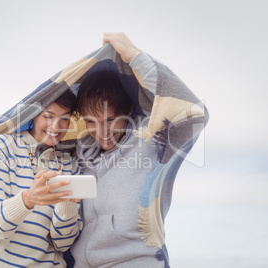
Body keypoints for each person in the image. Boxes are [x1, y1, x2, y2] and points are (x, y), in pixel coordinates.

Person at [69, 32, 208, 267]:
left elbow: (194, 114)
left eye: (110, 119)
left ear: (129, 110)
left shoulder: (150, 140)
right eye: (91, 121)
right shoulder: (78, 156)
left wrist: (134, 55)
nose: (101, 131)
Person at [0, 89, 82, 268]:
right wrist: (28, 200)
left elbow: (63, 244)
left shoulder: (69, 165)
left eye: (64, 118)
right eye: (48, 116)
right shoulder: (0, 146)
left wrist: (67, 205)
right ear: (33, 115)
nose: (56, 127)